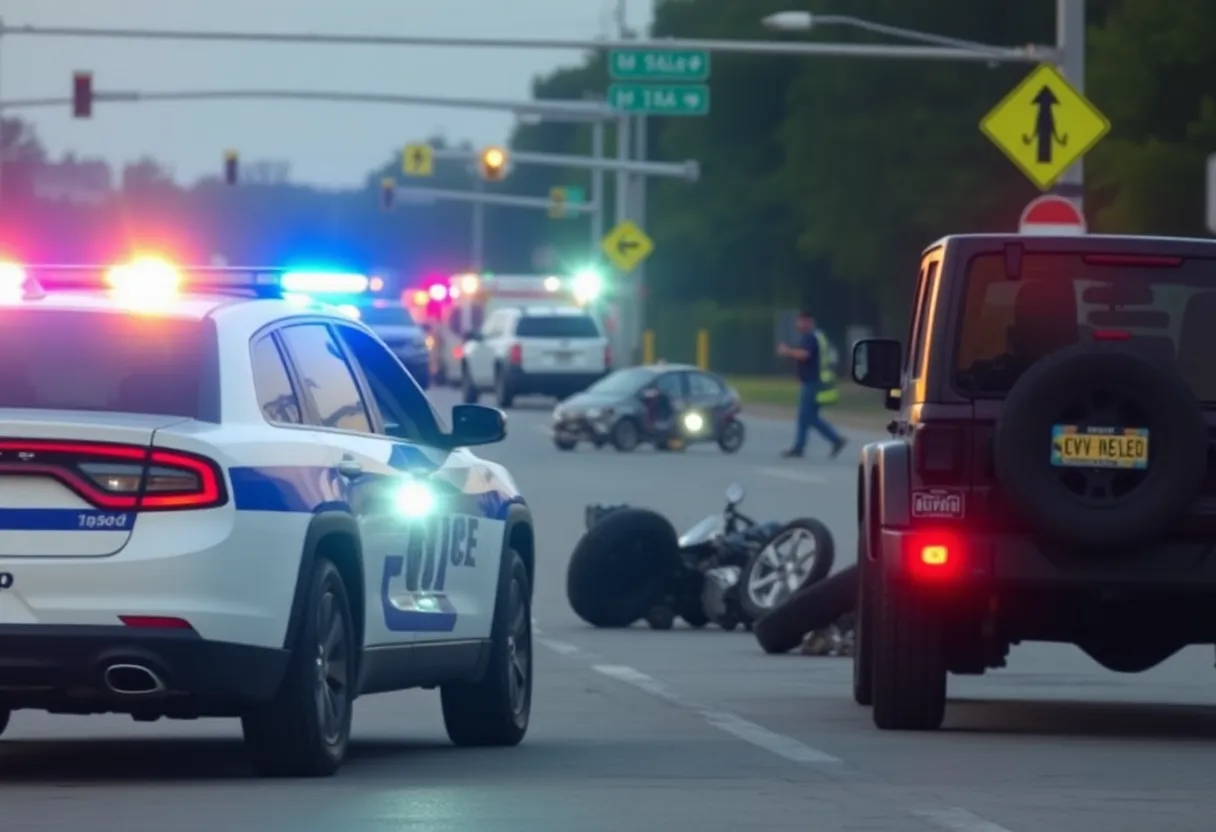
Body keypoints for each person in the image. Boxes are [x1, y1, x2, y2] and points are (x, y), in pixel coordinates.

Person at [778, 311, 847, 459]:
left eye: (800, 321)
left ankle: (835, 439)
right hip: (814, 380)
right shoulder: (817, 336)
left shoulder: (810, 337)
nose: (798, 324)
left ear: (808, 321)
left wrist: (787, 351)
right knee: (805, 416)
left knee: (808, 416)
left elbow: (804, 355)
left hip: (812, 382)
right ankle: (799, 446)